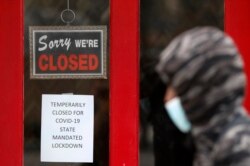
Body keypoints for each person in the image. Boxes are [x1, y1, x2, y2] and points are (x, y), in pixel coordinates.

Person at [156, 27, 250, 166]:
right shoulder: (210, 142)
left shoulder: (238, 148)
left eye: (176, 88)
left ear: (200, 90)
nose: (167, 98)